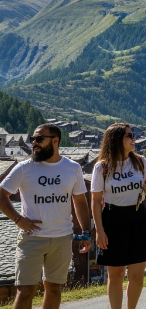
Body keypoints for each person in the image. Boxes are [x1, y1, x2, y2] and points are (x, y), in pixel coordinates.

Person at [0, 123, 92, 309]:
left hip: (62, 238)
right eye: (33, 139)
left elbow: (80, 202)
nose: (34, 142)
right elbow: (1, 194)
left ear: (55, 140)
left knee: (54, 288)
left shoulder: (72, 168)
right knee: (25, 290)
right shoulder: (24, 168)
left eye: (40, 139)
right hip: (31, 239)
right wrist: (18, 220)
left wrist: (86, 232)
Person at [91, 123, 146, 309]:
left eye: (133, 134)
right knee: (116, 274)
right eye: (129, 136)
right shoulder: (102, 167)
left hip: (137, 217)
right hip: (112, 218)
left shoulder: (140, 161)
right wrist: (99, 231)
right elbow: (96, 201)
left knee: (137, 275)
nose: (133, 138)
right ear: (117, 140)